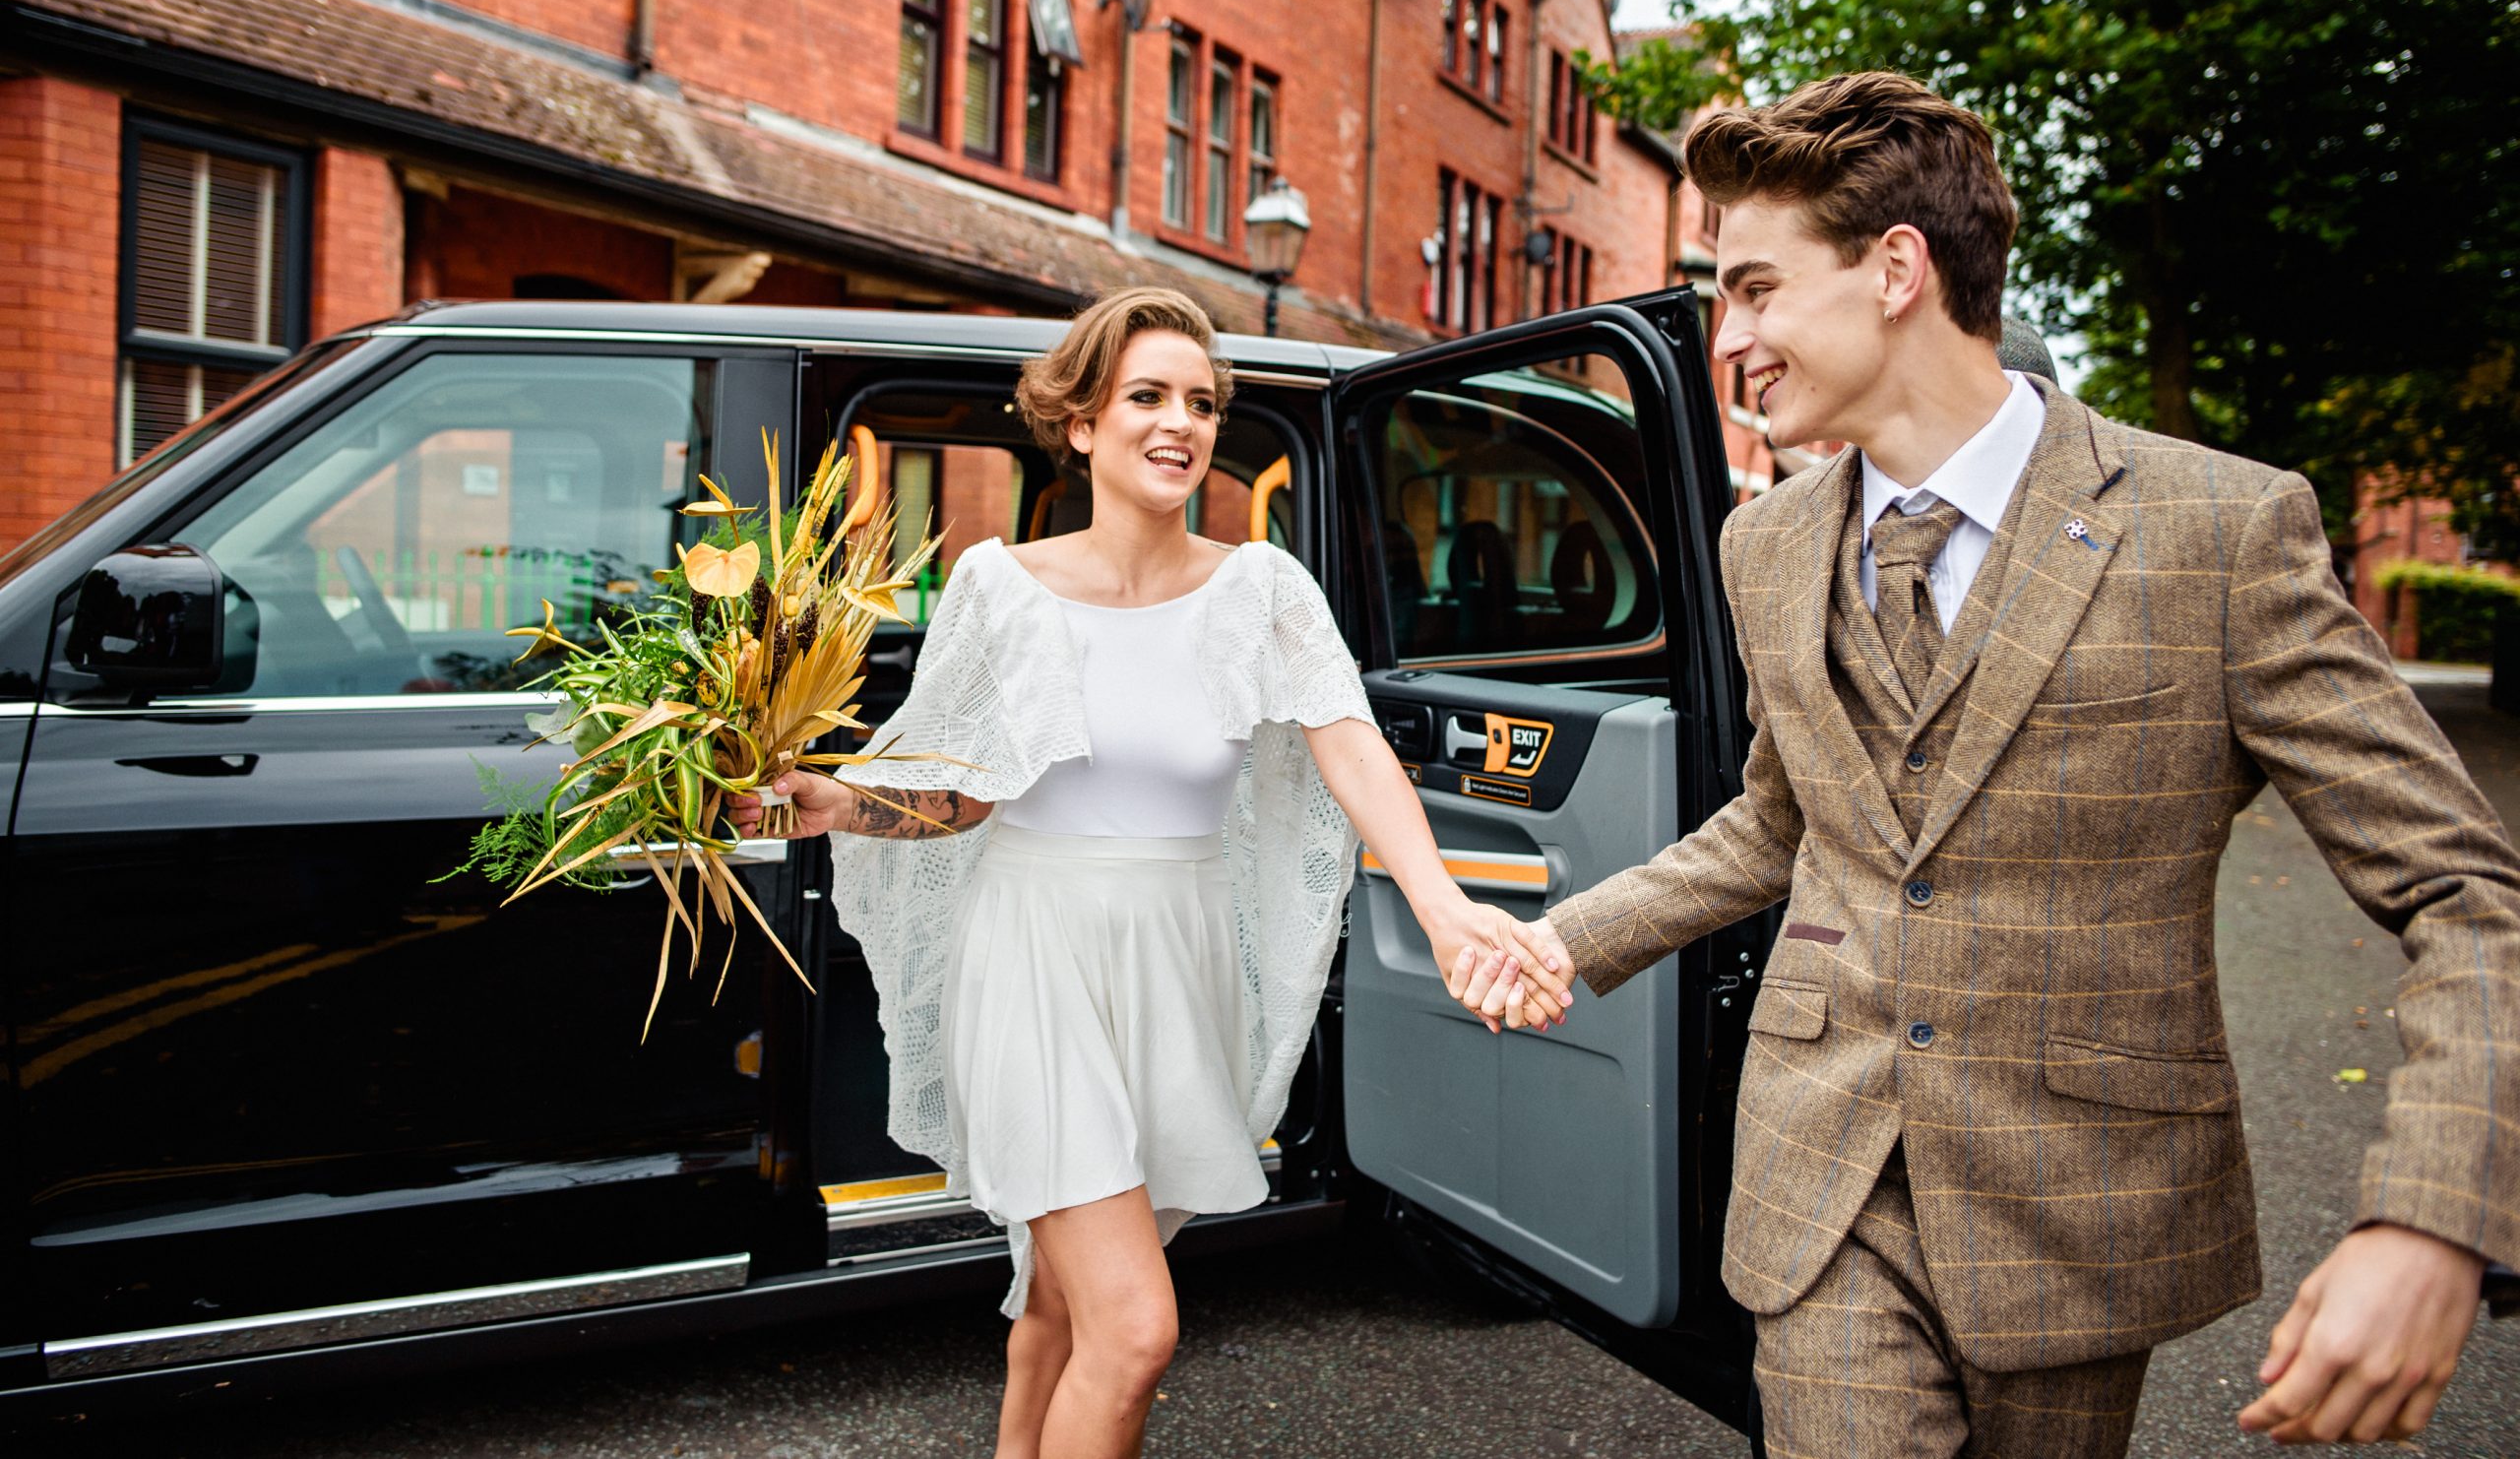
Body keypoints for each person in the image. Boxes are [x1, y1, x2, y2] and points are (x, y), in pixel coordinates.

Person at [1455, 73, 2518, 1454]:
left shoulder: (2221, 532)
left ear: (1896, 268)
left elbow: (2466, 895)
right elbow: (1780, 823)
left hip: (2079, 1203)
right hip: (1822, 1176)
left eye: (1757, 290)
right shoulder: (1763, 545)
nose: (1730, 339)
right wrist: (1570, 940)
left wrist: (2434, 1209)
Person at [730, 286, 1570, 1459]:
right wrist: (832, 799)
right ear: (1079, 422)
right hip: (1031, 960)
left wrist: (1441, 904)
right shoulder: (998, 585)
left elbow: (1353, 749)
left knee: (1061, 1299)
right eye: (1147, 396)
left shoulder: (1264, 589)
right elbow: (962, 792)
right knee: (1132, 1330)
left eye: (1201, 401)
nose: (1180, 421)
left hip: (1179, 967)